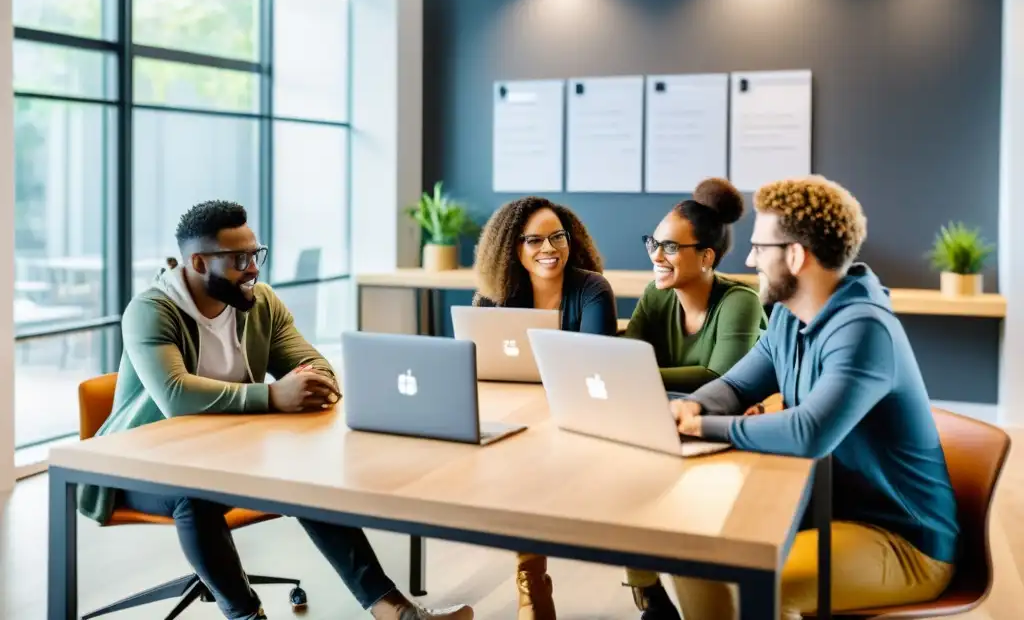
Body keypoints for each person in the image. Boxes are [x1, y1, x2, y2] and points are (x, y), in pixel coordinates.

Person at [77, 201, 474, 620]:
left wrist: (311, 384)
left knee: (305, 475)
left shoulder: (259, 302)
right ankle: (247, 615)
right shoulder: (151, 310)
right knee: (193, 496)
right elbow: (175, 396)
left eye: (256, 254)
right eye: (239, 259)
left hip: (228, 453)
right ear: (197, 262)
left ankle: (394, 611)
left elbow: (315, 367)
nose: (253, 269)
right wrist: (273, 396)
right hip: (139, 464)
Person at [668, 176, 959, 620]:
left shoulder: (865, 328)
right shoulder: (787, 313)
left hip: (902, 541)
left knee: (746, 580)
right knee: (690, 552)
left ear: (795, 255)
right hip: (821, 508)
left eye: (759, 248)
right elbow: (736, 386)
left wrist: (702, 426)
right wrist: (694, 405)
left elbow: (809, 433)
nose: (749, 259)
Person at [621, 178, 767, 619]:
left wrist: (639, 372)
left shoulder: (739, 301)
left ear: (706, 257)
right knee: (625, 477)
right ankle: (649, 598)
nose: (655, 256)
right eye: (653, 242)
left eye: (669, 247)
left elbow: (718, 376)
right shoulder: (656, 295)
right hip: (669, 426)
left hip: (730, 437)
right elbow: (628, 358)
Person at [472, 196, 618, 620]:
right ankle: (531, 581)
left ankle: (530, 581)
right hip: (513, 416)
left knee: (526, 464)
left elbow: (593, 365)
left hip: (575, 417)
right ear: (512, 248)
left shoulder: (592, 288)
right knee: (514, 457)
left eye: (557, 236)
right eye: (533, 240)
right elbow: (479, 368)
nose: (548, 248)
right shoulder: (493, 298)